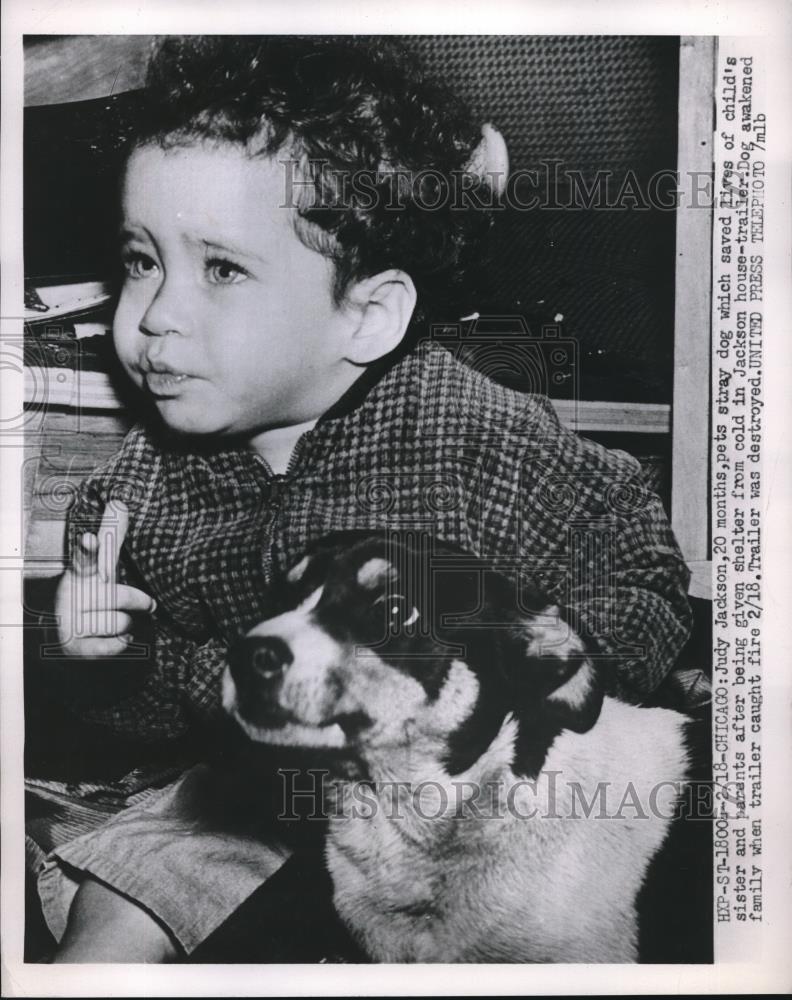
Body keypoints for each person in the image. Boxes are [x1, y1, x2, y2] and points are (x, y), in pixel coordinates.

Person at [27, 35, 692, 963]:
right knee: (123, 904)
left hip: (458, 806)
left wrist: (552, 668)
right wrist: (100, 657)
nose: (152, 315)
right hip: (246, 803)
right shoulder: (135, 488)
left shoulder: (473, 436)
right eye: (141, 260)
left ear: (367, 314)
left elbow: (641, 568)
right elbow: (151, 716)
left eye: (219, 269)